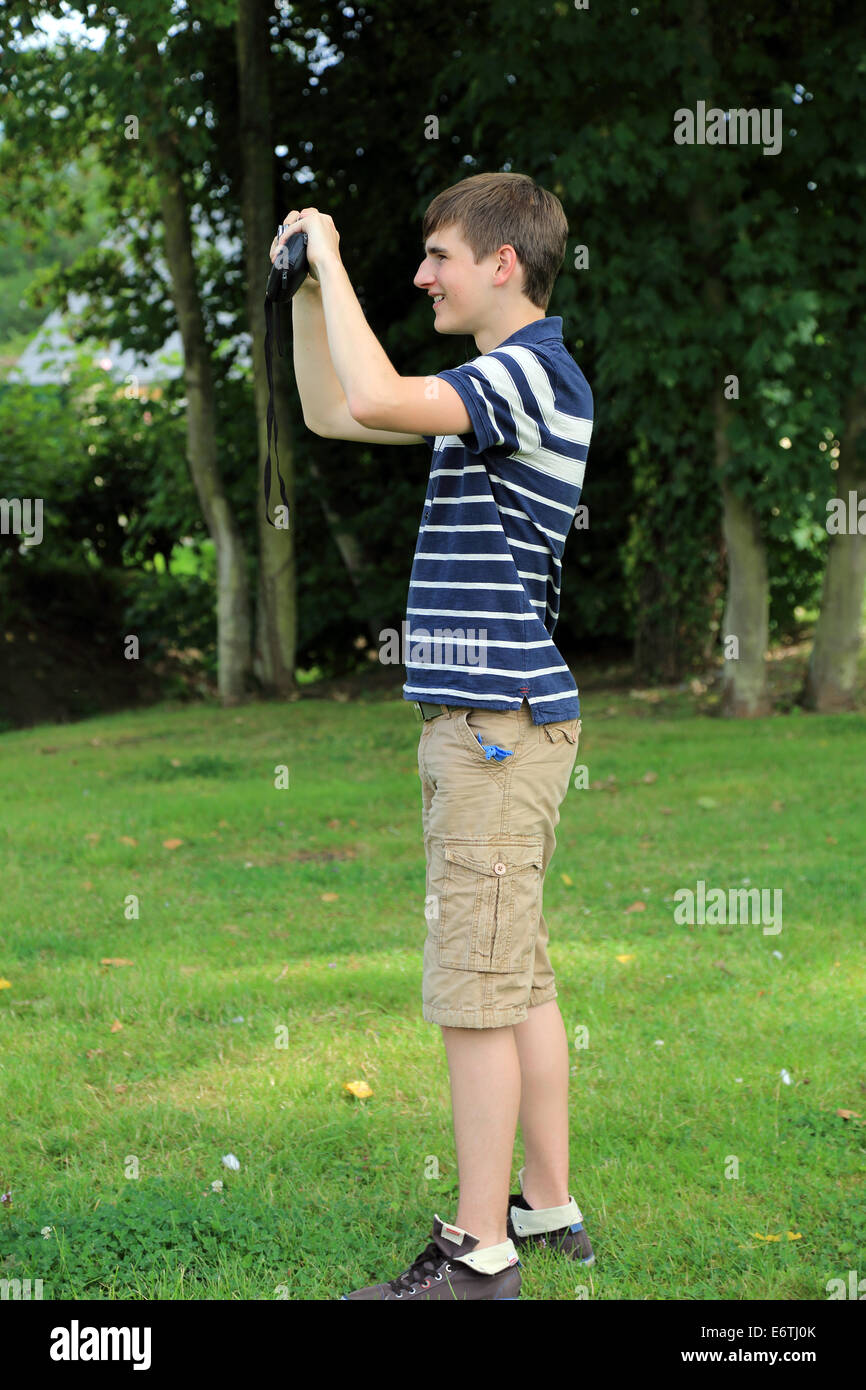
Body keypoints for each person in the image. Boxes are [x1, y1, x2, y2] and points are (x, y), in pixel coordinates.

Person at [270, 171, 594, 1300]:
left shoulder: (523, 373)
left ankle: (478, 1251)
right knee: (518, 974)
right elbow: (336, 406)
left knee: (473, 984)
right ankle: (544, 1206)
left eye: (438, 256)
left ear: (502, 263)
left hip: (493, 733)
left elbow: (373, 392)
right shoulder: (505, 381)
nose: (422, 276)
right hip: (502, 726)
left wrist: (334, 260)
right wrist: (309, 296)